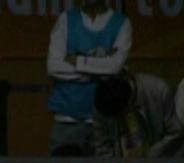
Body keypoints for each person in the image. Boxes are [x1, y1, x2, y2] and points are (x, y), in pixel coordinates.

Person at [46, 0, 132, 153]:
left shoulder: (121, 23)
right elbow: (54, 66)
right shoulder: (66, 20)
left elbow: (115, 67)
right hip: (67, 119)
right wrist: (99, 68)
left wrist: (79, 61)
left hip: (105, 121)